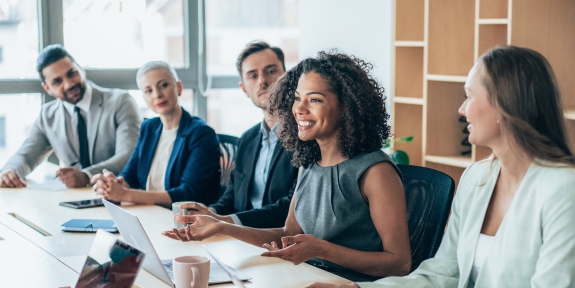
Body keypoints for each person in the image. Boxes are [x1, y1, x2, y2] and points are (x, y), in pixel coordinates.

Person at [307, 46, 575, 288]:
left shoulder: (563, 189)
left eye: (469, 96)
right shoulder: (477, 178)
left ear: (505, 103)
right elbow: (442, 275)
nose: (461, 109)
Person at [163, 51, 412, 282]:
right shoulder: (309, 161)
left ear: (347, 106)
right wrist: (222, 226)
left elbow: (399, 263)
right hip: (304, 277)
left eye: (314, 99)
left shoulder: (375, 171)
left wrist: (321, 249)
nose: (299, 110)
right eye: (297, 98)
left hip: (347, 285)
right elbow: (287, 233)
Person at [176, 41, 298, 228]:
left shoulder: (304, 136)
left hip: (281, 241)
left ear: (286, 77)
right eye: (253, 75)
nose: (262, 81)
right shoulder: (248, 139)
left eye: (271, 71)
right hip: (240, 238)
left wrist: (226, 222)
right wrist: (212, 212)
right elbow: (233, 194)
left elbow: (292, 206)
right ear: (244, 89)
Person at [0, 44, 141, 188]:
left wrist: (87, 176)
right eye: (57, 81)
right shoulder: (47, 116)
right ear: (47, 88)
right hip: (74, 199)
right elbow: (26, 157)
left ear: (81, 69)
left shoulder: (121, 102)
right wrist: (10, 171)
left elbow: (128, 155)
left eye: (72, 73)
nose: (68, 84)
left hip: (123, 196)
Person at [91, 61, 220, 206]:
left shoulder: (201, 133)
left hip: (184, 220)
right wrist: (114, 185)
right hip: (149, 212)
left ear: (178, 87)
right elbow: (130, 174)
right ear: (145, 98)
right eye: (148, 91)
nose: (157, 95)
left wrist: (126, 194)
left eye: (163, 85)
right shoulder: (148, 127)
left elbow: (188, 193)